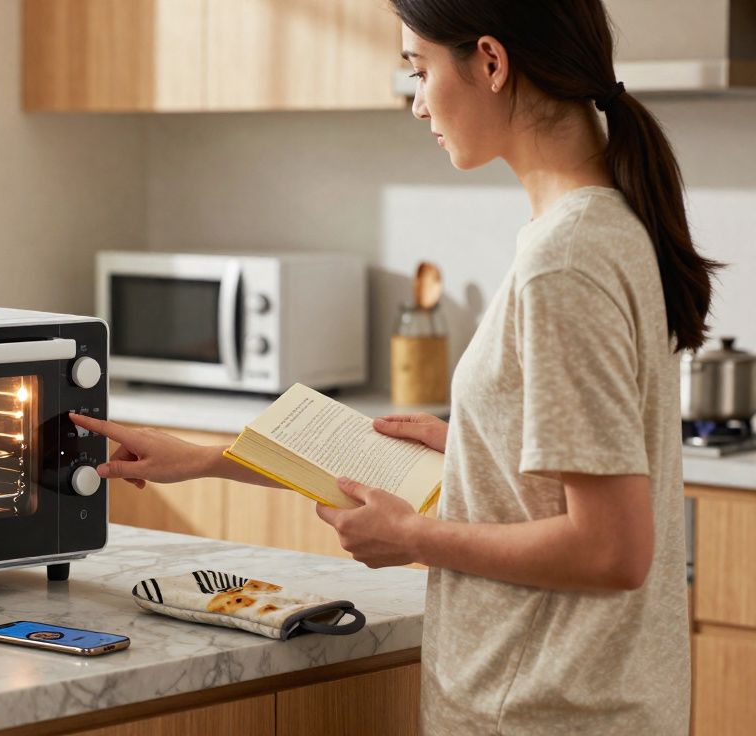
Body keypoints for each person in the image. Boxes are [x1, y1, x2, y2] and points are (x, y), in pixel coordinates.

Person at [69, 1, 720, 732]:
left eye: (420, 69)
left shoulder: (564, 259)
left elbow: (610, 549)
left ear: (492, 63)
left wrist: (410, 539)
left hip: (541, 711)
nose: (416, 103)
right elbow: (557, 487)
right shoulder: (603, 227)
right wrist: (208, 458)